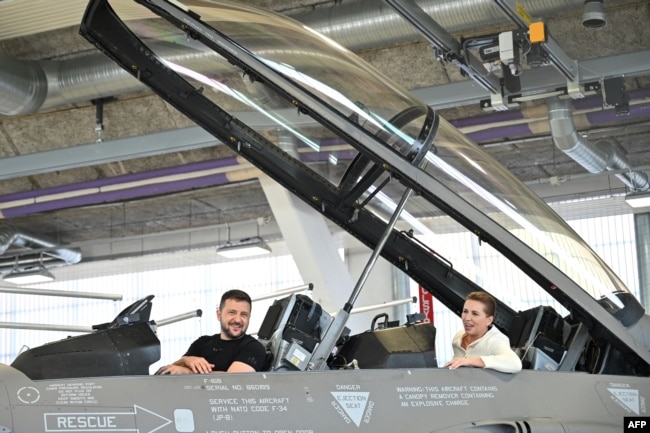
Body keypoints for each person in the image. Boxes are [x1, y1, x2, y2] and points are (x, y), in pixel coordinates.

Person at [155, 289, 266, 374]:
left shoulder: (253, 348)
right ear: (219, 315)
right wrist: (186, 360)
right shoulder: (202, 342)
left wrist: (187, 372)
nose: (237, 320)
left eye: (244, 314)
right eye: (232, 312)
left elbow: (232, 381)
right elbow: (174, 369)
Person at [443, 291, 522, 373]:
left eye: (475, 314)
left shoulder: (495, 340)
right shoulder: (458, 338)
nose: (467, 318)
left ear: (489, 321)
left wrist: (470, 361)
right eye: (465, 311)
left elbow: (515, 363)